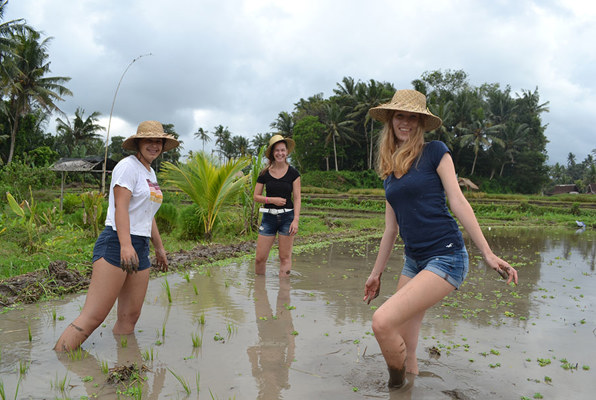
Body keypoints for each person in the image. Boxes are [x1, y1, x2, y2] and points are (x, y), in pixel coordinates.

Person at [362, 90, 518, 388]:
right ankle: (408, 389)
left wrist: (487, 253)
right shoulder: (389, 172)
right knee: (407, 346)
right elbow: (390, 230)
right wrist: (375, 274)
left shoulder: (435, 152)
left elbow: (458, 201)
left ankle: (394, 388)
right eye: (400, 116)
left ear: (420, 122)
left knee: (383, 322)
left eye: (412, 117)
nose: (405, 123)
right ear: (391, 120)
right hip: (414, 261)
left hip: (446, 256)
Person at [54, 120, 179, 351]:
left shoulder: (150, 173)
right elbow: (121, 208)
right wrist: (125, 244)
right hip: (116, 242)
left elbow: (147, 213)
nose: (154, 145)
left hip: (140, 246)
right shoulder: (127, 166)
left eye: (158, 141)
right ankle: (58, 360)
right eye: (149, 140)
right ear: (138, 143)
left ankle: (126, 363)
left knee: (130, 316)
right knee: (93, 317)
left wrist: (159, 248)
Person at [253, 135, 301, 277]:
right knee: (259, 259)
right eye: (277, 150)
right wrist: (272, 200)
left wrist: (296, 220)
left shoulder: (293, 173)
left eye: (283, 150)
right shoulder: (264, 173)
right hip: (268, 218)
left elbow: (297, 198)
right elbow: (256, 196)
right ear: (272, 153)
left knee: (284, 258)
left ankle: (284, 295)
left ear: (286, 152)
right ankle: (259, 291)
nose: (280, 153)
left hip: (287, 218)